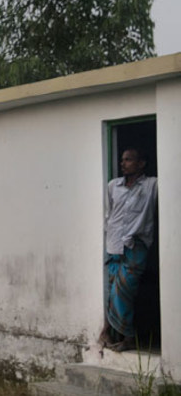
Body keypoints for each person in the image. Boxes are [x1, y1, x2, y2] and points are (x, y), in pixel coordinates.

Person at [99, 147, 158, 351]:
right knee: (110, 291)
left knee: (122, 292)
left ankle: (129, 337)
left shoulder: (152, 185)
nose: (123, 163)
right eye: (122, 159)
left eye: (129, 160)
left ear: (141, 163)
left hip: (135, 245)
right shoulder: (113, 185)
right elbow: (108, 214)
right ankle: (109, 332)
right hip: (114, 245)